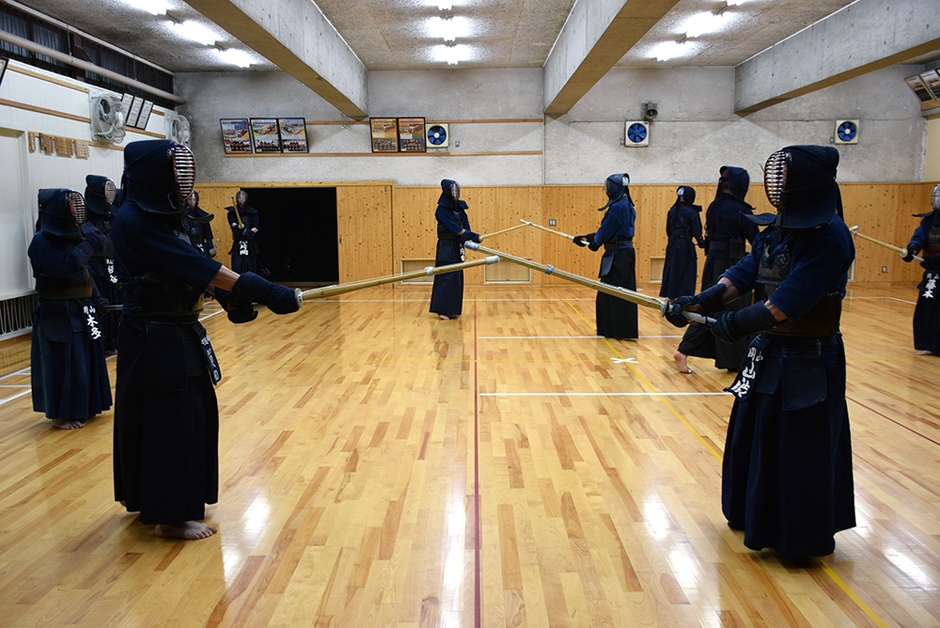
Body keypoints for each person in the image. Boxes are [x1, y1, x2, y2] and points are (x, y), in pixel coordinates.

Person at [667, 145, 856, 559]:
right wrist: (700, 302)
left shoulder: (830, 238)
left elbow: (787, 303)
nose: (779, 183)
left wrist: (736, 323)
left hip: (809, 358)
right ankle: (752, 515)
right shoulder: (777, 231)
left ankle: (798, 536)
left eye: (787, 175)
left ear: (807, 180)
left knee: (797, 449)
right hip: (769, 351)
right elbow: (743, 274)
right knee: (754, 438)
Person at [111, 139, 300, 540]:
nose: (183, 180)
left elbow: (185, 272)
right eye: (175, 171)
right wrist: (262, 290)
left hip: (175, 328)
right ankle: (170, 517)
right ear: (153, 174)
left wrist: (229, 299)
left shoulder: (159, 218)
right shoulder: (136, 221)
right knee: (170, 424)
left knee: (188, 419)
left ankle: (160, 501)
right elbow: (197, 265)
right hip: (155, 335)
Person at [29, 188, 112, 430]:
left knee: (86, 359)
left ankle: (85, 406)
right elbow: (62, 268)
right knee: (61, 363)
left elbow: (84, 274)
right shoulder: (41, 241)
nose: (77, 211)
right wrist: (88, 246)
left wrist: (97, 300)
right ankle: (60, 414)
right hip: (58, 312)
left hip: (82, 307)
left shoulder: (75, 237)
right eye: (72, 207)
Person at [673, 166, 758, 373]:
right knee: (734, 312)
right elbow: (757, 240)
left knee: (708, 307)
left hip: (713, 263)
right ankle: (691, 351)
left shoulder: (714, 206)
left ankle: (687, 352)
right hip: (733, 267)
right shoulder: (741, 210)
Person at [573, 173, 638, 339]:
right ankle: (616, 329)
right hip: (624, 253)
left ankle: (617, 330)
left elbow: (607, 230)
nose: (605, 190)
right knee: (619, 292)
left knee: (614, 292)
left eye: (606, 187)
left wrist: (595, 243)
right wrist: (589, 237)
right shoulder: (627, 204)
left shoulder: (618, 207)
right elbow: (612, 230)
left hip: (618, 256)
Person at [429, 179, 479, 320]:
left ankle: (453, 309)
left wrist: (470, 238)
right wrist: (470, 235)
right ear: (447, 191)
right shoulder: (441, 210)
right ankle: (442, 310)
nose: (456, 193)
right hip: (446, 245)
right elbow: (455, 228)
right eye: (453, 190)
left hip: (457, 246)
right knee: (446, 276)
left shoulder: (459, 207)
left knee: (456, 277)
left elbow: (465, 224)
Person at [84, 174, 122, 356]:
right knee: (101, 303)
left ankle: (114, 340)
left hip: (113, 264)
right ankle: (101, 341)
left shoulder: (114, 214)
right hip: (95, 266)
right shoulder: (86, 217)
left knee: (116, 301)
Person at [902, 183, 940, 356]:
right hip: (933, 271)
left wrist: (934, 260)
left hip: (934, 264)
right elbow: (919, 236)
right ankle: (928, 343)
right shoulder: (929, 221)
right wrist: (912, 250)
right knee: (927, 303)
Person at [659, 186, 704, 300]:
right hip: (685, 245)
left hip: (672, 244)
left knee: (673, 270)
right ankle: (684, 301)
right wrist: (702, 242)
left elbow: (668, 230)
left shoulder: (672, 211)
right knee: (685, 274)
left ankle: (671, 300)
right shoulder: (692, 212)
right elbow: (697, 231)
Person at [226, 190, 259, 274]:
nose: (241, 200)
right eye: (239, 198)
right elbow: (232, 223)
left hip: (249, 242)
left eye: (243, 198)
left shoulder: (253, 213)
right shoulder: (231, 213)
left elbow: (256, 226)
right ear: (237, 199)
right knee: (237, 266)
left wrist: (250, 232)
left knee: (250, 266)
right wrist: (238, 227)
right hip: (238, 242)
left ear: (246, 199)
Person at [182, 190, 217, 258]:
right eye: (190, 199)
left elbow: (208, 235)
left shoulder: (202, 216)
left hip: (200, 245)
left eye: (194, 199)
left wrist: (209, 247)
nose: (192, 202)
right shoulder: (181, 215)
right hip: (186, 245)